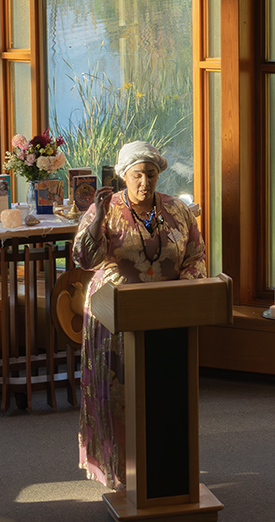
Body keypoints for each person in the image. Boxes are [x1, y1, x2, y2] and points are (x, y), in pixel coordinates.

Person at [72, 140, 206, 491]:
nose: (145, 182)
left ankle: (162, 465)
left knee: (164, 389)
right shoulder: (107, 209)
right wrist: (97, 217)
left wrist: (188, 287)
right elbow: (84, 259)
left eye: (150, 174)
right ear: (124, 177)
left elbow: (196, 254)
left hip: (167, 311)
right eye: (137, 175)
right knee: (120, 393)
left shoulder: (178, 209)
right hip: (114, 314)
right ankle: (122, 468)